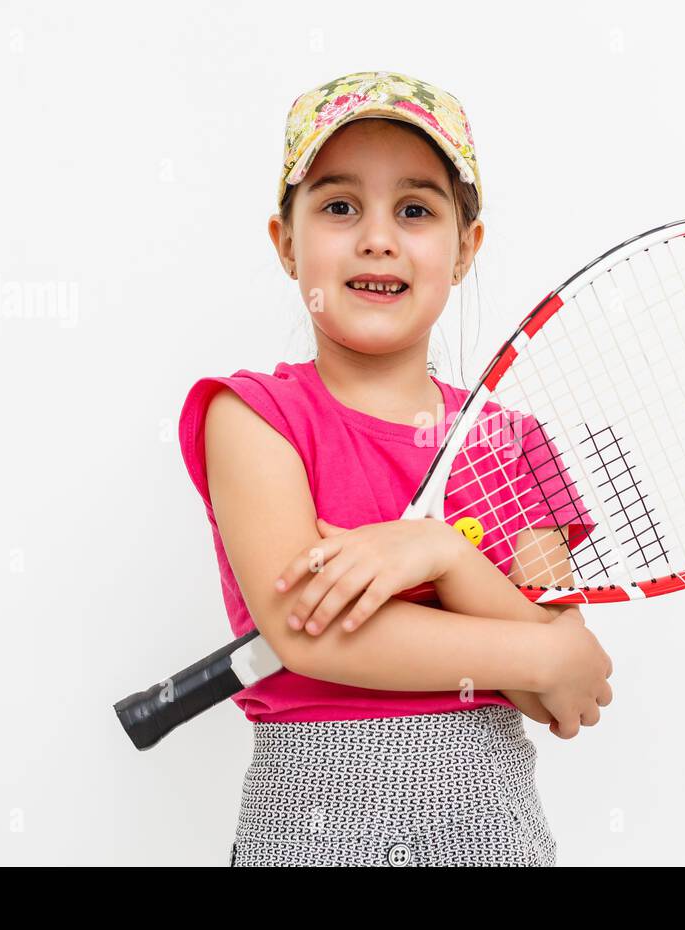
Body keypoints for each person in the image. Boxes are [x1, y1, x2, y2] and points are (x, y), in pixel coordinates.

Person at [177, 70, 613, 867]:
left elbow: (568, 688)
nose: (378, 237)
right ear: (285, 242)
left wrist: (441, 555)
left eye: (415, 209)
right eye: (340, 206)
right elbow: (310, 635)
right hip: (305, 836)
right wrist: (536, 647)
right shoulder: (248, 418)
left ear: (464, 250)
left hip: (494, 838)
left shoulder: (515, 442)